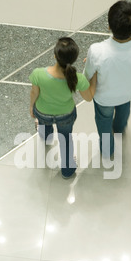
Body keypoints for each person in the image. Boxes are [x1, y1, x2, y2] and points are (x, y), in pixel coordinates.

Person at [84, 0, 131, 158]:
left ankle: (107, 150)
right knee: (124, 109)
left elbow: (87, 75)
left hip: (104, 98)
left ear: (109, 26)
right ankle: (120, 129)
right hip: (128, 91)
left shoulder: (97, 51)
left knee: (104, 121)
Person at [29, 37, 96, 179]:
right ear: (74, 58)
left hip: (42, 112)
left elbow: (34, 93)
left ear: (55, 55)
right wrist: (94, 77)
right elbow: (89, 98)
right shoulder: (77, 78)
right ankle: (67, 170)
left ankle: (46, 137)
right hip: (65, 115)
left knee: (43, 124)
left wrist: (31, 107)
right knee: (66, 140)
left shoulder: (38, 73)